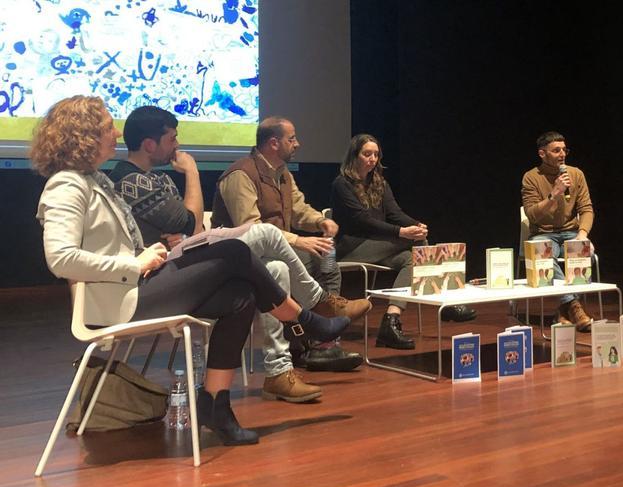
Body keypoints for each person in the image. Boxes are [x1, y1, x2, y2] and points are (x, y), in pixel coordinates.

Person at [31, 96, 349, 446]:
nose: (117, 132)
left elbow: (112, 242)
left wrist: (145, 253)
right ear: (85, 134)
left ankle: (216, 405)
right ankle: (303, 319)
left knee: (240, 297)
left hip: (133, 287)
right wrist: (132, 264)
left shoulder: (93, 181)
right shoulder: (66, 185)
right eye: (108, 127)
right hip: (115, 301)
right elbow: (60, 258)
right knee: (233, 251)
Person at [110, 108, 368, 401]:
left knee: (278, 271)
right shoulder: (129, 179)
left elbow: (186, 228)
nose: (178, 145)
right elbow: (189, 223)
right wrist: (193, 173)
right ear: (149, 145)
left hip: (186, 262)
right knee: (266, 234)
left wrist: (318, 223)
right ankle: (319, 304)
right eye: (173, 138)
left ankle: (278, 372)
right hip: (170, 274)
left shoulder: (160, 180)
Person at [330, 134, 477, 350]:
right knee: (416, 242)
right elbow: (362, 221)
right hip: (351, 247)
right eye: (367, 154)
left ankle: (391, 321)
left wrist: (416, 225)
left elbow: (395, 213)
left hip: (378, 245)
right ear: (354, 155)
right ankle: (444, 302)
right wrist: (402, 232)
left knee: (412, 259)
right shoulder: (342, 184)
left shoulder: (379, 182)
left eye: (376, 154)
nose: (372, 159)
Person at [521, 131, 595, 331]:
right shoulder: (531, 177)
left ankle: (563, 311)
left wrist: (583, 234)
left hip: (571, 231)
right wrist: (554, 194)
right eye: (556, 150)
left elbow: (586, 209)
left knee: (588, 251)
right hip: (543, 233)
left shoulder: (576, 174)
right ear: (542, 154)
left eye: (564, 150)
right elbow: (532, 214)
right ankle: (574, 306)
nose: (562, 154)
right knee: (543, 256)